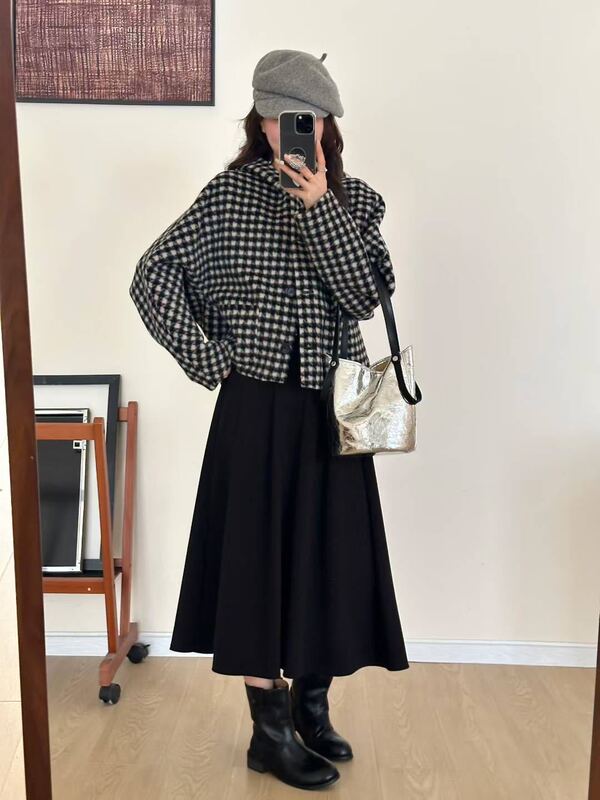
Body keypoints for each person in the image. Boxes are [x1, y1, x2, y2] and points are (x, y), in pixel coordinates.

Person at [129, 49, 410, 792]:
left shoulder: (358, 203)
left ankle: (313, 709)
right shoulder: (227, 198)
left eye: (310, 118)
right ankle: (270, 732)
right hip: (253, 408)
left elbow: (361, 296)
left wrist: (321, 206)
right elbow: (151, 275)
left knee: (329, 558)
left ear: (328, 125)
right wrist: (211, 357)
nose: (297, 129)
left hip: (333, 406)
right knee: (255, 563)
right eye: (284, 117)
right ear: (261, 121)